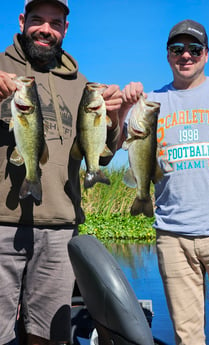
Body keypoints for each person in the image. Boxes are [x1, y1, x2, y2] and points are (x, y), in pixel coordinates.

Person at [120, 19, 209, 345]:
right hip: (172, 236)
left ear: (207, 55)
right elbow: (108, 146)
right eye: (177, 49)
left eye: (194, 49)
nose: (186, 55)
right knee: (187, 338)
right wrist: (122, 107)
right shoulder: (150, 103)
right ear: (167, 55)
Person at [0, 1, 123, 344]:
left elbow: (99, 152)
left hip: (59, 226)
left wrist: (117, 116)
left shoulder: (81, 84)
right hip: (1, 224)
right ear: (23, 21)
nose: (46, 29)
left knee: (49, 335)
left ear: (65, 29)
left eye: (55, 23)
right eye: (37, 20)